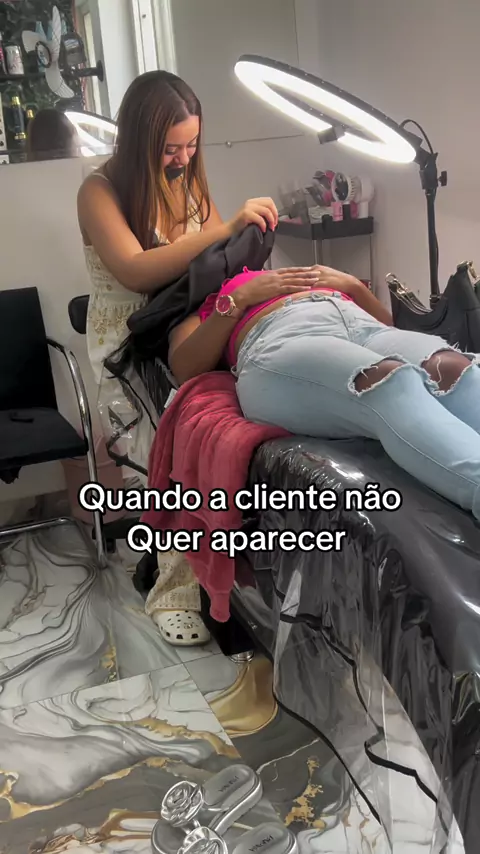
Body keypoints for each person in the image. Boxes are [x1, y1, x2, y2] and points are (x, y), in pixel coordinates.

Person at [76, 70, 316, 647]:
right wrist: (225, 227)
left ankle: (231, 563)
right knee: (166, 452)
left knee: (218, 434)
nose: (182, 159)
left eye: (191, 145)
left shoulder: (184, 179)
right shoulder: (98, 191)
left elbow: (213, 260)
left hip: (182, 330)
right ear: (139, 139)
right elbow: (136, 270)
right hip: (128, 347)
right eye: (170, 148)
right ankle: (172, 592)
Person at [168, 265, 480, 521]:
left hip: (362, 324)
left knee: (452, 368)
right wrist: (237, 299)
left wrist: (353, 287)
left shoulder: (283, 272)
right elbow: (185, 367)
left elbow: (387, 324)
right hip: (283, 337)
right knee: (388, 382)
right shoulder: (208, 310)